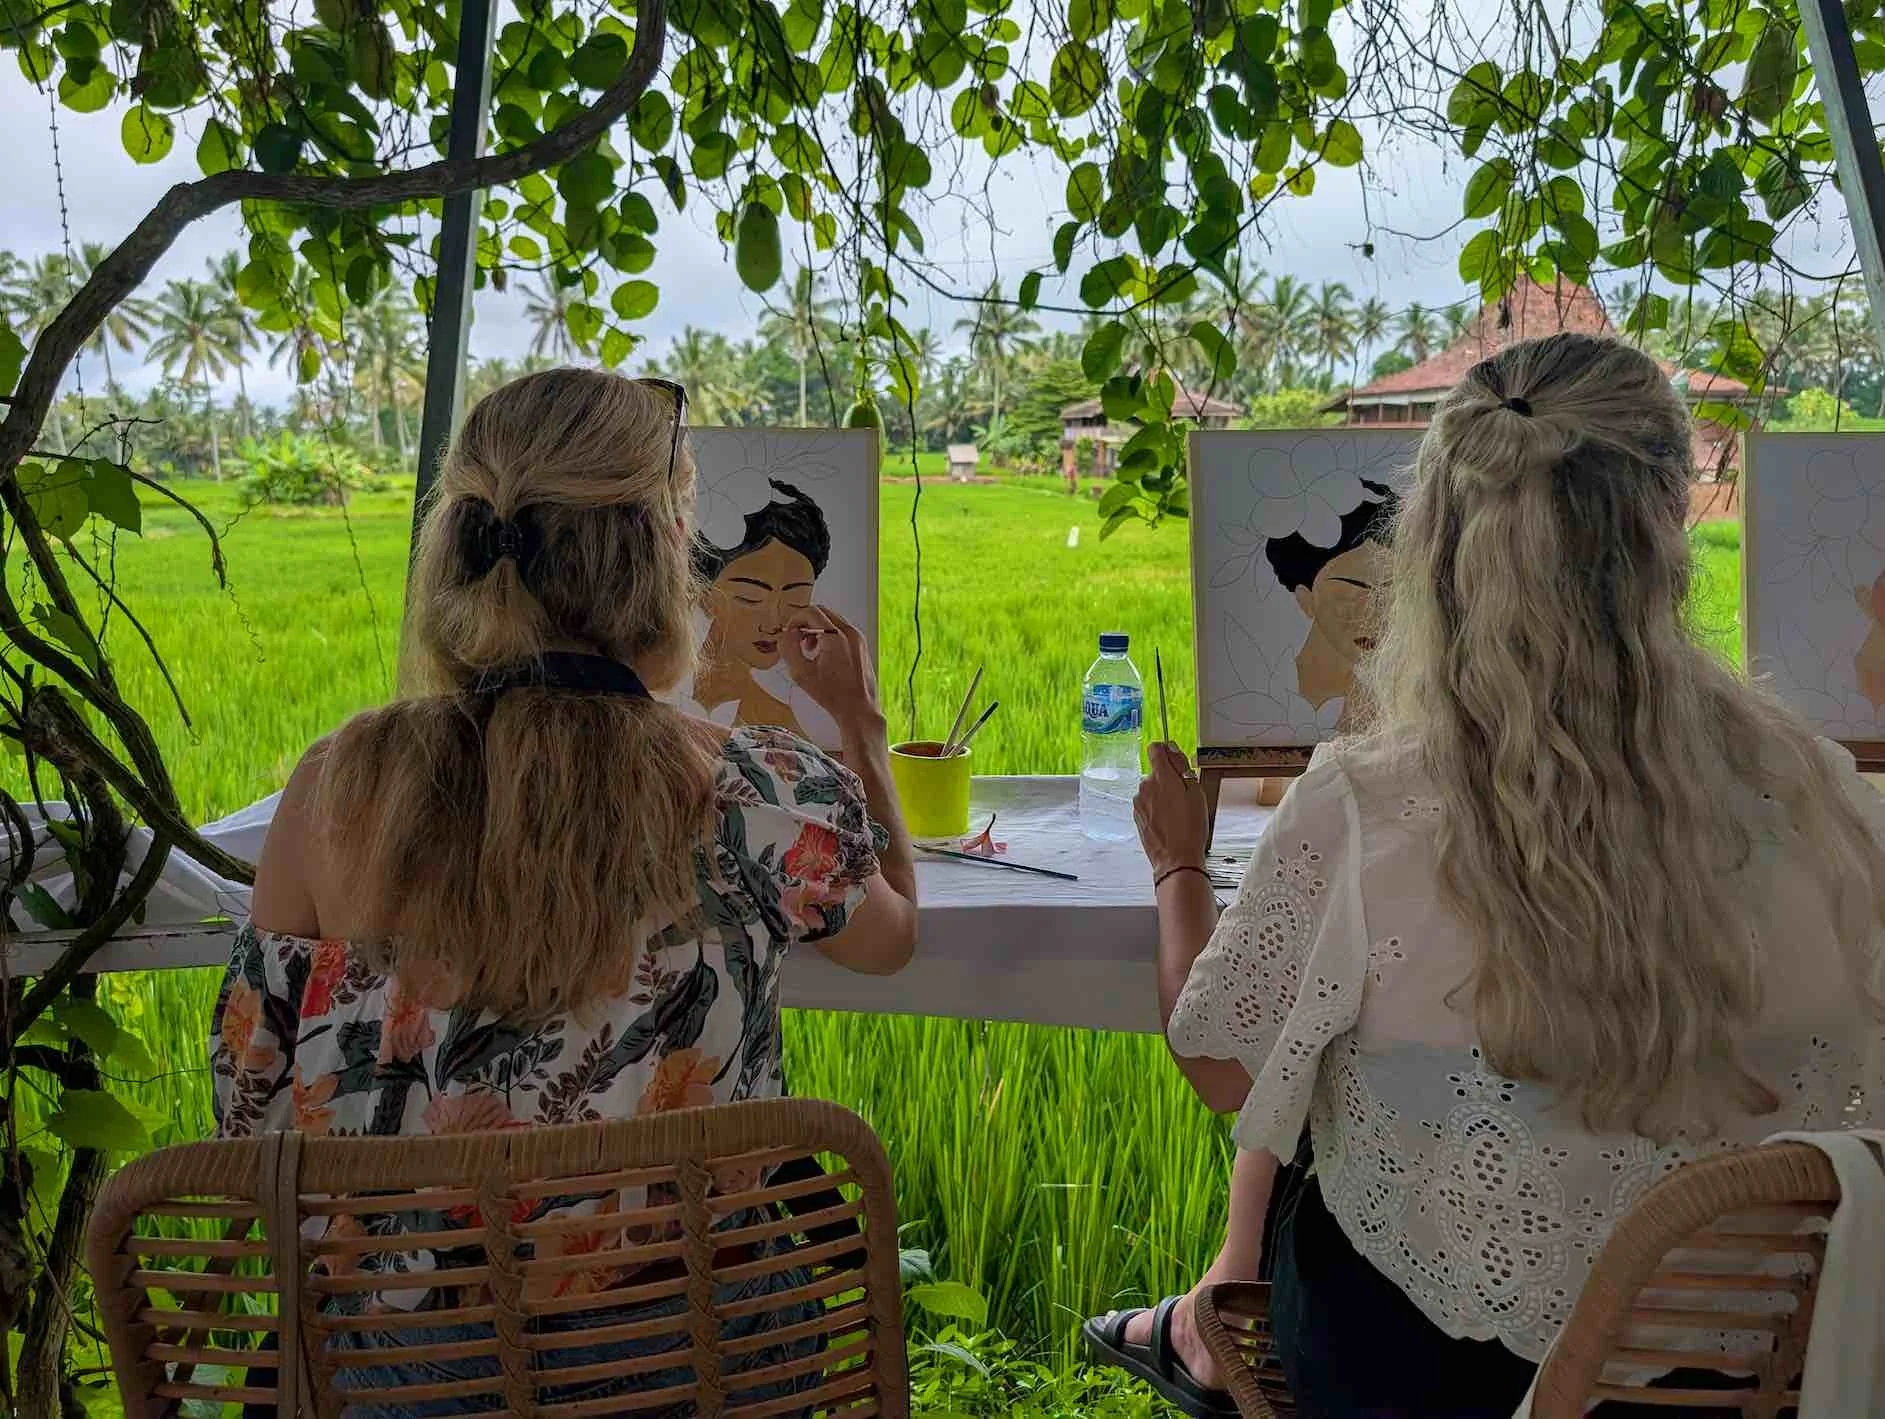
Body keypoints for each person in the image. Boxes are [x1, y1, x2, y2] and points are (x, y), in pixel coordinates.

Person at [1086, 332, 1885, 1418]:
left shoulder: (1368, 805)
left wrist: (1181, 867)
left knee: (1306, 1127)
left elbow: (1225, 1063)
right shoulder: (1817, 795)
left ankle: (1195, 1326)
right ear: (1668, 526)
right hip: (1739, 1363)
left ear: (1441, 542)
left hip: (1431, 1368)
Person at [209, 368, 918, 1414]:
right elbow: (890, 938)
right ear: (665, 556)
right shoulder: (758, 783)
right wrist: (860, 732)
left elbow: (249, 1092)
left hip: (401, 1370)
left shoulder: (334, 785)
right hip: (699, 1359)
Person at [693, 478, 831, 736]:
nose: (773, 623)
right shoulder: (653, 702)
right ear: (701, 592)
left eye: (796, 599)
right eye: (750, 597)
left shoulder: (780, 725)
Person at [1263, 476, 1397, 726]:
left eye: (1389, 591)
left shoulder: (1404, 705)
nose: (1374, 612)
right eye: (1354, 590)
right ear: (1306, 598)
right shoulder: (1264, 688)